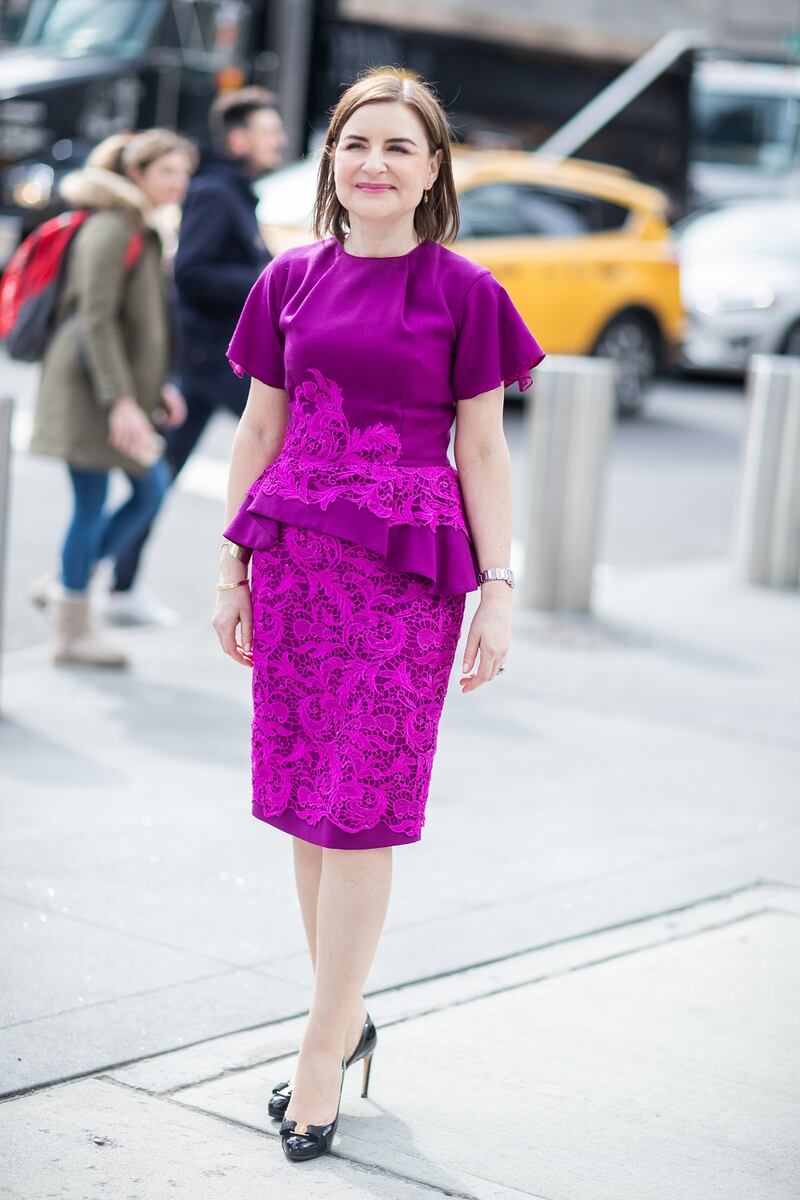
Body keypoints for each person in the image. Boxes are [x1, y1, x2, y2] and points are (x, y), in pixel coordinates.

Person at [212, 66, 545, 1163]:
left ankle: (318, 1053)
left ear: (433, 169)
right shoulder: (289, 280)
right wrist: (231, 572)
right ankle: (342, 1018)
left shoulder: (466, 293)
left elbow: (483, 450)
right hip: (295, 566)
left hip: (406, 579)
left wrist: (499, 588)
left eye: (400, 146)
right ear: (330, 162)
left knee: (359, 806)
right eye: (357, 142)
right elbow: (256, 434)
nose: (374, 163)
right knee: (309, 806)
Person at [106, 87, 288, 626]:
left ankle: (109, 579)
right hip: (214, 358)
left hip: (212, 357)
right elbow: (192, 273)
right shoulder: (215, 192)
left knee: (160, 471)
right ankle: (105, 579)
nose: (278, 139)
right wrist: (268, 276)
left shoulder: (234, 191)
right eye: (269, 130)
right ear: (239, 138)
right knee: (284, 452)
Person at [28, 129, 196, 666]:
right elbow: (95, 322)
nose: (180, 183)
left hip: (113, 390)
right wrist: (121, 400)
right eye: (168, 172)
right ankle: (71, 628)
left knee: (142, 491)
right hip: (90, 393)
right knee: (108, 499)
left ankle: (65, 588)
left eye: (183, 173)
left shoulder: (141, 228)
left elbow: (139, 325)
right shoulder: (111, 227)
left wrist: (156, 388)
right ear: (136, 175)